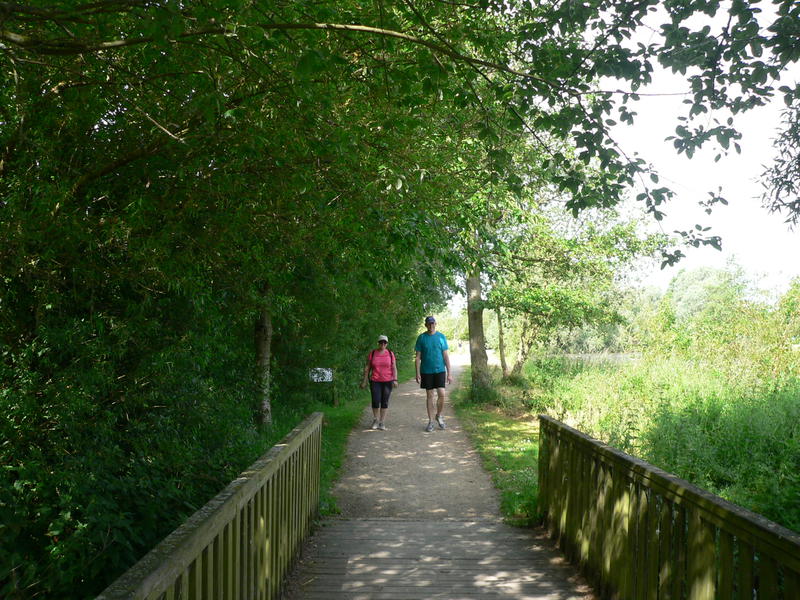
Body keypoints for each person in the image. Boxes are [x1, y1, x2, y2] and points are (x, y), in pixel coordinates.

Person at [414, 316, 452, 432]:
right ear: (426, 325)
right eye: (429, 324)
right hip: (426, 371)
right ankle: (430, 421)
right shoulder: (421, 338)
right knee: (429, 395)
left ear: (436, 324)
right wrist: (417, 373)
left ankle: (439, 415)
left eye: (433, 323)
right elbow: (418, 357)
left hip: (440, 370)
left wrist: (449, 373)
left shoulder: (441, 337)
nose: (431, 326)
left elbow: (445, 356)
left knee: (442, 394)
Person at [360, 335, 398, 431]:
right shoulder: (373, 353)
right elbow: (367, 367)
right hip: (375, 380)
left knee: (384, 401)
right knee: (376, 400)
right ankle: (375, 420)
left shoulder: (390, 353)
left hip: (388, 381)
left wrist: (395, 379)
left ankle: (382, 422)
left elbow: (394, 367)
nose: (383, 344)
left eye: (385, 342)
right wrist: (364, 380)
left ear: (387, 344)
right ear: (378, 343)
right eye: (381, 342)